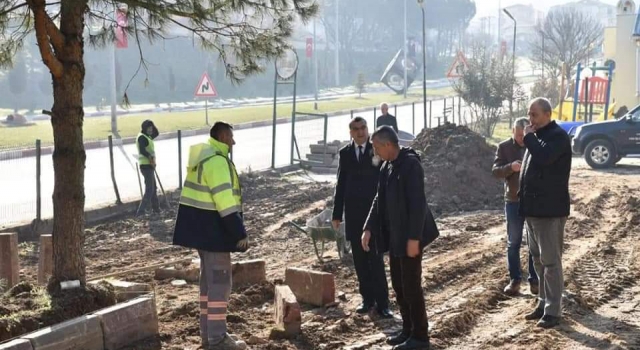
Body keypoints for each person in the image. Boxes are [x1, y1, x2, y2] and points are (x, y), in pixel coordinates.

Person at [172, 122, 249, 350]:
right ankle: (217, 339)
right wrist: (239, 232)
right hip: (214, 234)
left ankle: (209, 336)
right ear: (224, 136)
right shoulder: (216, 161)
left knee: (208, 286)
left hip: (202, 234)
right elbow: (224, 202)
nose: (233, 142)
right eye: (231, 137)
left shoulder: (203, 158)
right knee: (220, 285)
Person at [363, 126, 439, 350]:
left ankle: (420, 337)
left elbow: (418, 205)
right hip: (395, 236)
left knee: (411, 286)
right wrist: (369, 226)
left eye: (377, 147)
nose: (375, 152)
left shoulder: (410, 165)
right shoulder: (387, 166)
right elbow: (379, 198)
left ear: (388, 145)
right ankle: (408, 330)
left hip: (409, 237)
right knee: (399, 284)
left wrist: (414, 238)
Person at [519, 98, 572, 329]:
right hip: (532, 211)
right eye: (529, 115)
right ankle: (542, 304)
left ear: (548, 114)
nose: (531, 120)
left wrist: (529, 138)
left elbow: (544, 158)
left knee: (551, 262)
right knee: (538, 261)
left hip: (549, 212)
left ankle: (553, 311)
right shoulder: (538, 137)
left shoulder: (557, 137)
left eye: (535, 115)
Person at [332, 117, 392, 318]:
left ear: (367, 129)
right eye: (355, 129)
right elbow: (341, 184)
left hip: (373, 214)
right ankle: (367, 299)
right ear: (350, 132)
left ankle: (383, 303)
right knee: (359, 260)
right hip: (354, 215)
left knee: (375, 258)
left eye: (363, 128)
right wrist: (336, 214)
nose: (360, 132)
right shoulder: (345, 153)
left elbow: (383, 181)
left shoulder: (376, 150)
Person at [492, 117, 539, 296]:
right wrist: (510, 167)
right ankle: (515, 280)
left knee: (534, 243)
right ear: (513, 132)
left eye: (523, 135)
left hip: (533, 201)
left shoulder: (534, 144)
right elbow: (495, 171)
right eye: (518, 135)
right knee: (513, 242)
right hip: (512, 201)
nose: (521, 139)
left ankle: (534, 281)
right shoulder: (504, 147)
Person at [136, 120, 160, 216]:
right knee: (150, 189)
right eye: (149, 128)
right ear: (144, 128)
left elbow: (157, 133)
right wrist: (151, 158)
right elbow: (142, 151)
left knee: (153, 187)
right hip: (146, 166)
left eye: (151, 128)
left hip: (150, 165)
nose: (151, 130)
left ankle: (156, 208)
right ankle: (141, 211)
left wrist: (153, 125)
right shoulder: (142, 138)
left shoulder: (147, 136)